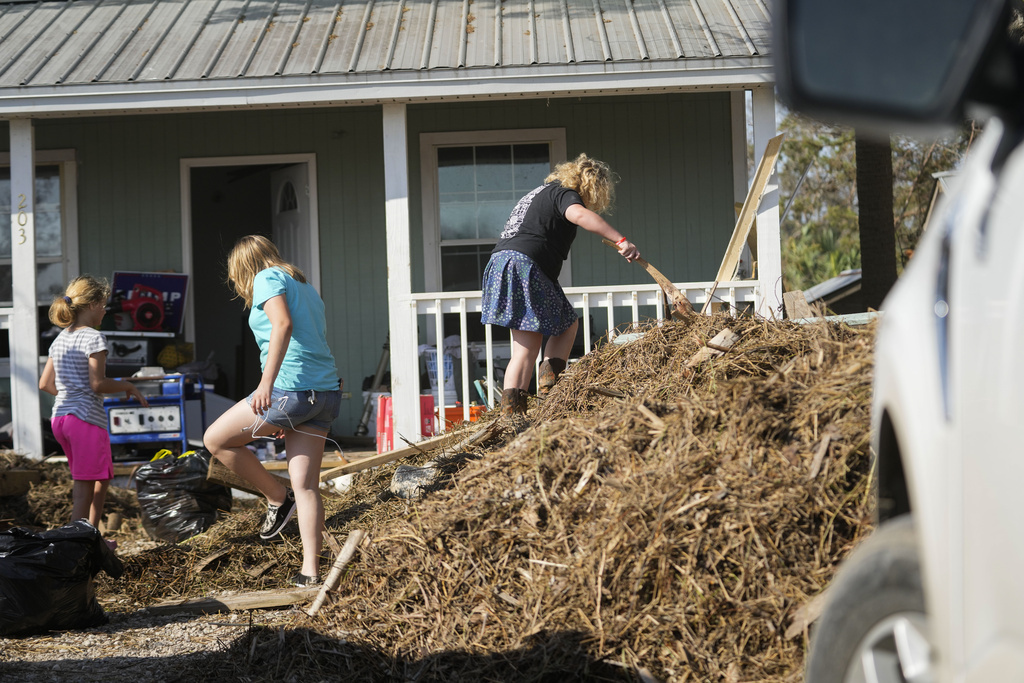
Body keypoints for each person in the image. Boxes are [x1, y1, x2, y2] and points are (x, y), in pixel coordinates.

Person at [203, 235, 341, 587]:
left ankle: (277, 498)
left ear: (242, 268)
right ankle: (310, 572)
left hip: (289, 389)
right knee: (307, 486)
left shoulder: (266, 278)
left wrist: (266, 385)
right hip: (324, 392)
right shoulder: (302, 283)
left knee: (216, 440)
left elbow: (282, 326)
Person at [481, 153, 640, 414]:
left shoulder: (538, 194)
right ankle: (527, 405)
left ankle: (537, 395)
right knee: (530, 346)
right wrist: (621, 241)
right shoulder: (565, 194)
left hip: (502, 262)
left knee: (564, 324)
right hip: (525, 264)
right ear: (590, 185)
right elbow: (579, 215)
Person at [39, 275, 149, 539]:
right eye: (102, 305)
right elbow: (97, 384)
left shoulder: (60, 339)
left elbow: (45, 383)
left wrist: (69, 396)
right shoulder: (94, 338)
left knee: (102, 476)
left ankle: (92, 536)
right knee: (83, 488)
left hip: (61, 420)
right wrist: (129, 386)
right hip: (85, 420)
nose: (105, 310)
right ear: (90, 305)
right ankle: (74, 546)